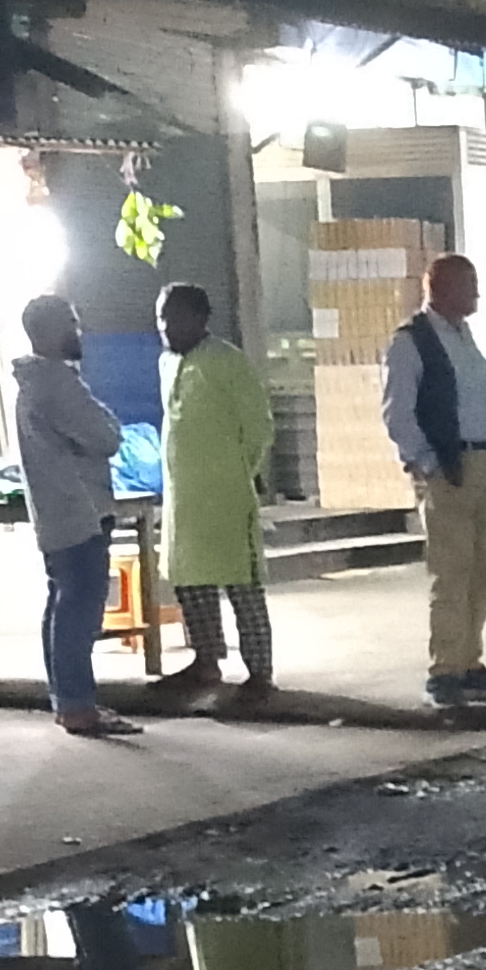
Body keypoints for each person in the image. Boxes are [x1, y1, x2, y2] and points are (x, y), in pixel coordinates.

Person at [382, 252, 486, 708]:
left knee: (483, 569)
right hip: (450, 468)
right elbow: (398, 413)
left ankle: (469, 663)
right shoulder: (411, 343)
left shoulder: (464, 337)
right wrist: (427, 463)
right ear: (440, 288)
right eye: (469, 284)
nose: (477, 293)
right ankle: (445, 671)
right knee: (451, 572)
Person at [14, 292, 136, 736]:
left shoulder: (36, 383)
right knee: (78, 612)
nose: (77, 331)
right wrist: (107, 424)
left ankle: (68, 700)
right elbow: (106, 436)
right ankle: (77, 705)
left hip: (59, 512)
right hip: (78, 511)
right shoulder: (56, 385)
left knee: (63, 606)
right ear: (48, 331)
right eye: (70, 323)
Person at [154, 282, 275, 706]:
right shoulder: (167, 363)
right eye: (161, 318)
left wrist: (240, 471)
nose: (165, 327)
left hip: (226, 496)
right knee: (192, 583)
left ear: (200, 319)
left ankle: (260, 672)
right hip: (183, 498)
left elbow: (258, 425)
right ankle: (206, 661)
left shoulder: (227, 361)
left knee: (242, 586)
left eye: (174, 318)